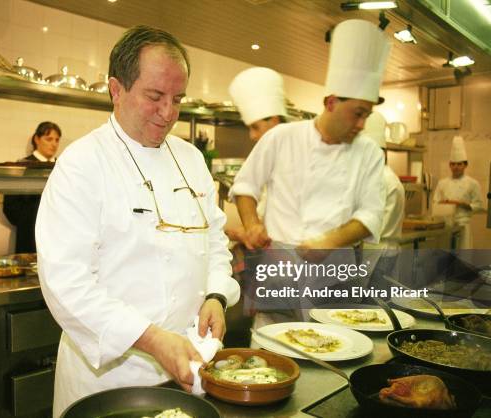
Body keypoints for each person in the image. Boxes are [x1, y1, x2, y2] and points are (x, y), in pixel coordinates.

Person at [35, 25, 240, 416]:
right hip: (109, 382)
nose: (168, 113)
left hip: (187, 371)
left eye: (177, 98)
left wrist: (216, 295)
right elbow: (66, 283)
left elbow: (214, 239)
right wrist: (151, 339)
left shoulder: (192, 159)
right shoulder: (81, 164)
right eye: (155, 96)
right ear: (116, 90)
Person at [229, 19, 389, 327]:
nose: (361, 124)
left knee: (335, 352)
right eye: (357, 113)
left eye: (366, 115)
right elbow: (246, 186)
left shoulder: (368, 151)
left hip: (333, 277)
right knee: (270, 352)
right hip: (278, 271)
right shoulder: (282, 137)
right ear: (330, 102)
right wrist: (251, 223)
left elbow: (371, 214)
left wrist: (330, 240)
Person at [225, 67, 287, 244]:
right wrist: (249, 228)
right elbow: (245, 189)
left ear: (273, 120)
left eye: (255, 127)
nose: (252, 136)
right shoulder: (272, 156)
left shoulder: (296, 149)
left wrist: (243, 233)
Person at [361, 111, 405, 291]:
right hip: (382, 251)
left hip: (379, 253)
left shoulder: (382, 180)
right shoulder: (384, 176)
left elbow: (371, 226)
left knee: (375, 306)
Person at [2, 121, 61, 253]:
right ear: (37, 139)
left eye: (57, 140)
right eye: (49, 139)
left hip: (59, 235)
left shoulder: (62, 166)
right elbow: (9, 207)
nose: (54, 144)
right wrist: (31, 222)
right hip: (29, 235)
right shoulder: (21, 166)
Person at [432, 136, 485, 249]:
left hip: (463, 226)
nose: (456, 167)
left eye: (459, 164)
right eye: (453, 164)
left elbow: (479, 205)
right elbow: (435, 202)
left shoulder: (472, 183)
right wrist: (443, 203)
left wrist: (464, 205)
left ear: (465, 165)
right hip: (446, 226)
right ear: (450, 165)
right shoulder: (442, 183)